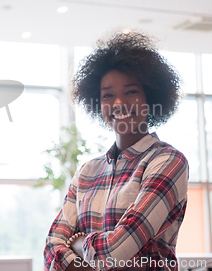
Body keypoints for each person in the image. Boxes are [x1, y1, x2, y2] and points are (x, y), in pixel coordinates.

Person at [44, 31, 189, 271]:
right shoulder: (88, 171)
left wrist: (78, 243)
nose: (118, 103)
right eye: (108, 95)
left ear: (150, 97)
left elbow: (115, 252)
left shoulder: (167, 161)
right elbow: (51, 249)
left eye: (131, 92)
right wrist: (94, 254)